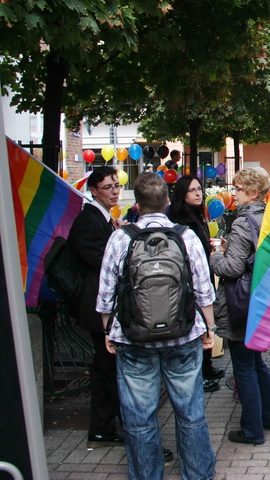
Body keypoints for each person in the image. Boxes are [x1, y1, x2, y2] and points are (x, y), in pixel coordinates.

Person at [96, 173, 216, 479]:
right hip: (183, 335)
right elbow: (204, 290)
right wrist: (209, 328)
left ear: (137, 204)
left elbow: (106, 294)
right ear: (166, 202)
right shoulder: (185, 236)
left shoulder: (120, 238)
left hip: (133, 339)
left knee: (139, 418)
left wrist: (109, 330)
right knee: (190, 412)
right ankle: (198, 474)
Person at [211, 167, 270, 445]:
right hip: (261, 298)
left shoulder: (242, 222)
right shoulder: (269, 216)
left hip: (241, 303)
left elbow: (232, 268)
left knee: (243, 367)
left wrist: (216, 256)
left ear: (253, 193)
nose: (234, 193)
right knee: (256, 362)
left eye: (239, 189)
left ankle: (252, 430)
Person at [68, 166, 125, 450]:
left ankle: (102, 429)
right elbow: (104, 263)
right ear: (93, 190)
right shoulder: (89, 221)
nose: (115, 191)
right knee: (109, 368)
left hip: (100, 304)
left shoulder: (103, 218)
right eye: (108, 187)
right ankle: (126, 428)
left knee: (104, 369)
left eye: (117, 185)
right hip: (95, 306)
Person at [168, 174, 224, 391]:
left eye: (199, 189)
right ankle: (199, 373)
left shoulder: (196, 214)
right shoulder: (180, 218)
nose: (198, 193)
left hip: (203, 273)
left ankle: (206, 367)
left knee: (204, 321)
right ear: (182, 195)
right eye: (192, 190)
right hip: (190, 279)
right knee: (198, 323)